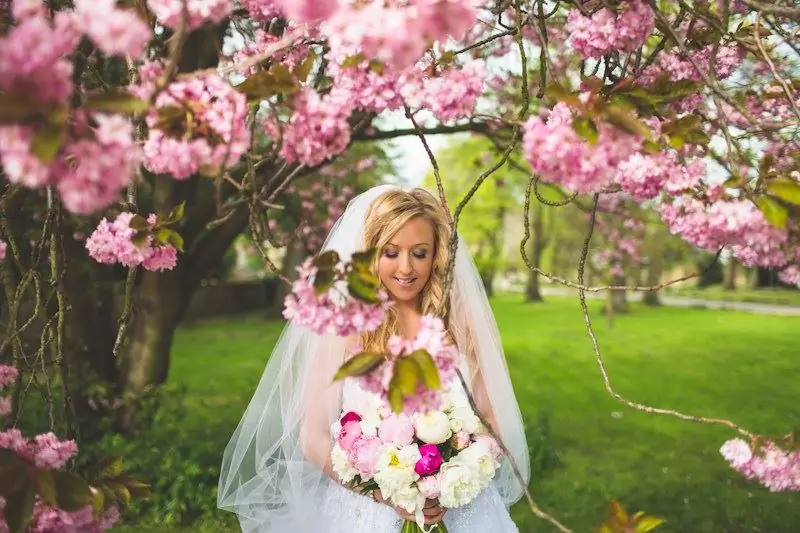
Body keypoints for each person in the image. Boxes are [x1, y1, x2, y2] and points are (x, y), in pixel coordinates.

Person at [218, 185, 529, 532]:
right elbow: (313, 437)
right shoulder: (344, 326)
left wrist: (454, 480)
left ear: (437, 254)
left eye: (420, 253)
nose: (406, 267)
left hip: (463, 510)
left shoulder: (461, 321)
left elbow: (491, 419)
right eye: (391, 252)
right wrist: (389, 493)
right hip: (367, 513)